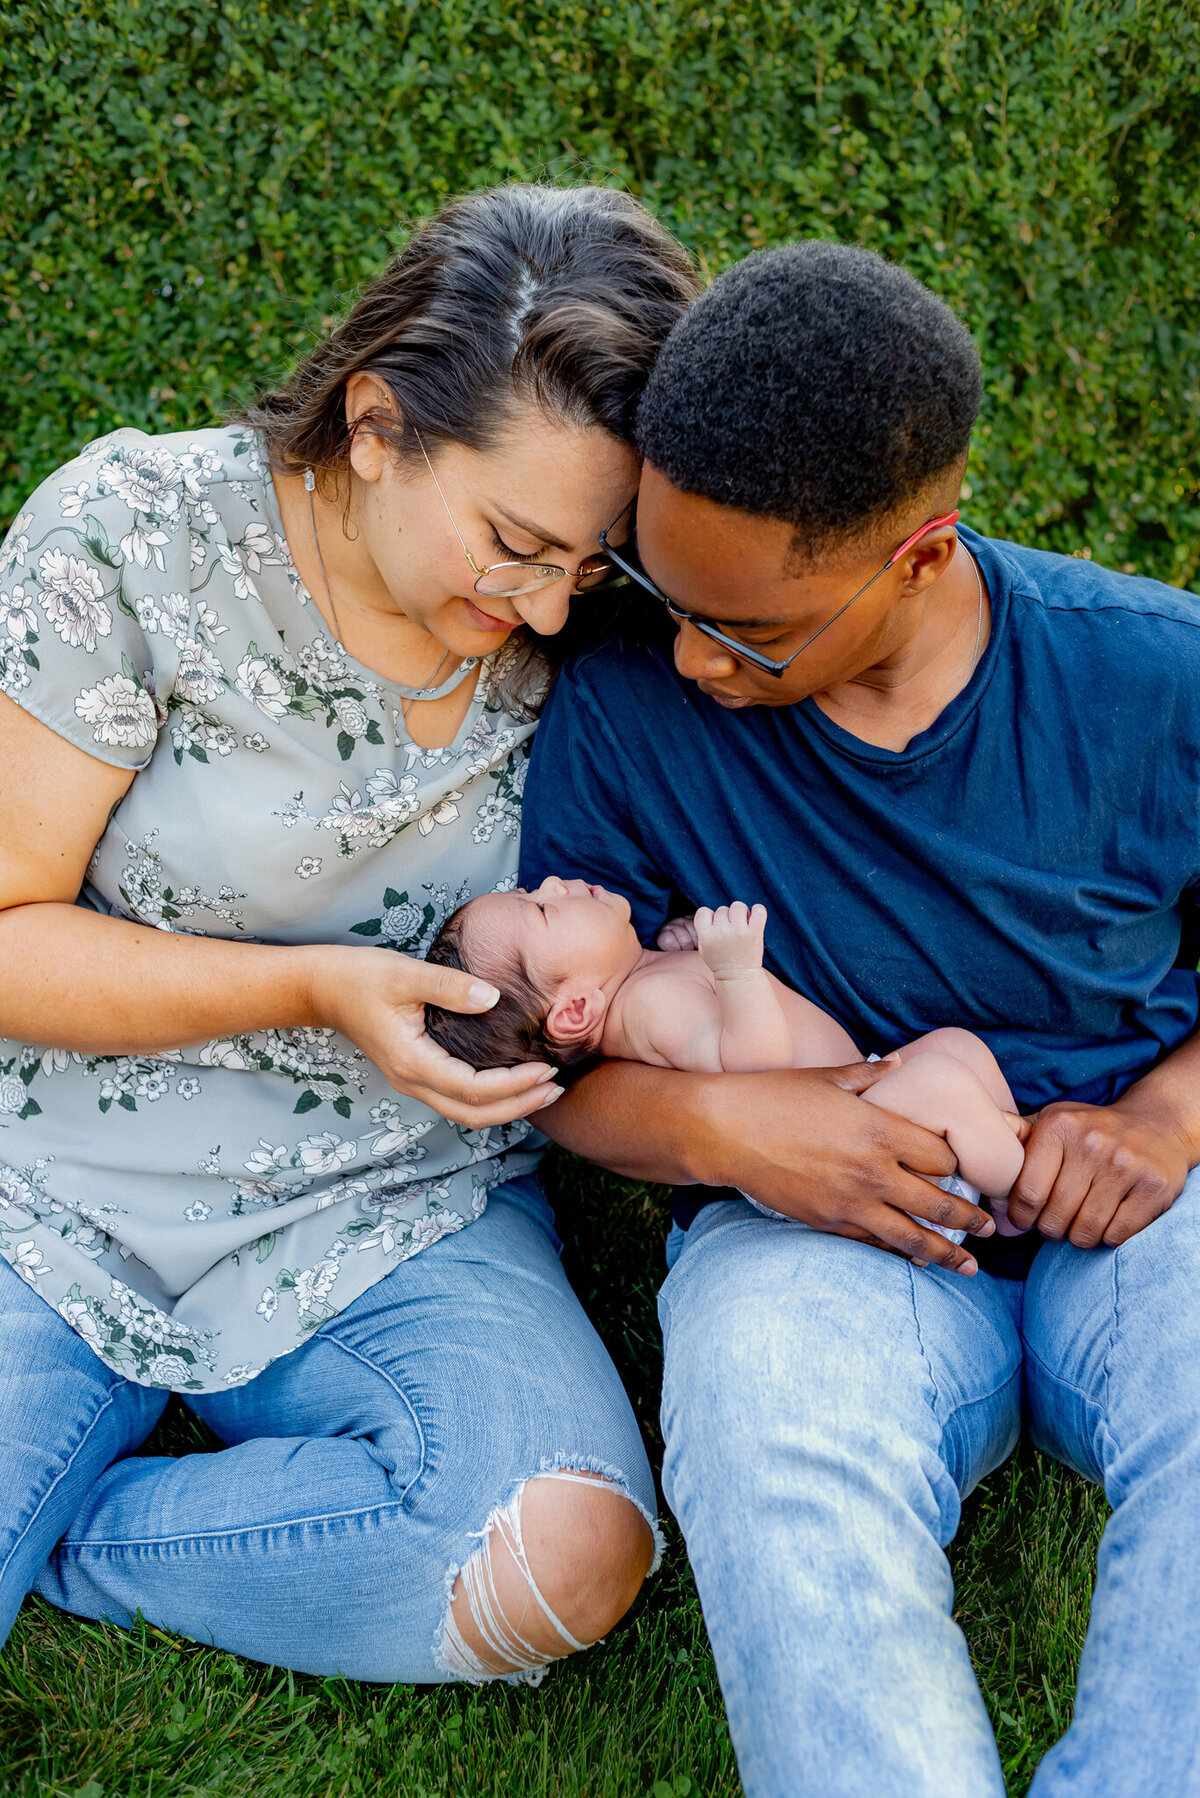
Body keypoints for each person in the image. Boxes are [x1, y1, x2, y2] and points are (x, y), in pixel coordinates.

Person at [520, 240, 1200, 1796]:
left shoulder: (1155, 677)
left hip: (1145, 1210)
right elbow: (554, 1062)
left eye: (748, 632)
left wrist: (1165, 1120)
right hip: (810, 1227)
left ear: (918, 551)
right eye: (663, 595)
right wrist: (721, 1127)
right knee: (775, 1451)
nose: (692, 657)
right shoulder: (630, 708)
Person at [0, 182, 700, 1684]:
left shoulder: (600, 635)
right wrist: (319, 985)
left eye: (588, 566)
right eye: (515, 542)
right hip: (50, 1189)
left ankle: (88, 1536)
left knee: (560, 1549)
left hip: (393, 1203)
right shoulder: (137, 536)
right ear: (377, 421)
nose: (550, 609)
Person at [422, 881, 1026, 1227]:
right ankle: (1015, 1188)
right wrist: (737, 971)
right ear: (576, 1009)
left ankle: (992, 1174)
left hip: (856, 1107)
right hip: (833, 1148)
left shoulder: (644, 980)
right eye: (543, 907)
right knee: (945, 1075)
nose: (554, 883)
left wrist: (683, 943)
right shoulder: (653, 1006)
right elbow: (754, 1070)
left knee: (955, 1047)